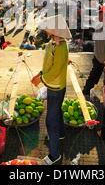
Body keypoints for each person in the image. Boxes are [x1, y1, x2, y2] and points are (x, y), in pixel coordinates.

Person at [31, 14, 71, 165]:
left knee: (50, 119)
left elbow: (55, 71)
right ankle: (60, 134)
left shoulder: (60, 46)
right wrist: (39, 74)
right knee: (57, 111)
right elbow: (49, 65)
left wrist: (40, 79)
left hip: (56, 87)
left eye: (48, 28)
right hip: (53, 85)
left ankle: (55, 154)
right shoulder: (53, 43)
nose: (45, 30)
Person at [82, 6, 105, 97]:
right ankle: (86, 92)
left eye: (100, 15)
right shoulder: (98, 27)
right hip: (98, 57)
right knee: (93, 77)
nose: (99, 17)